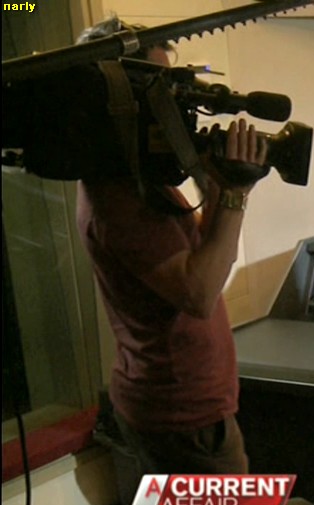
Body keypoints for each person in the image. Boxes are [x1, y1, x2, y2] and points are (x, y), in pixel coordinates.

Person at [76, 17, 269, 475]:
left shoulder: (140, 183)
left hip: (185, 407)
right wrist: (235, 195)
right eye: (160, 95)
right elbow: (199, 292)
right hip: (182, 418)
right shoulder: (118, 199)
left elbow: (206, 253)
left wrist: (219, 183)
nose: (173, 109)